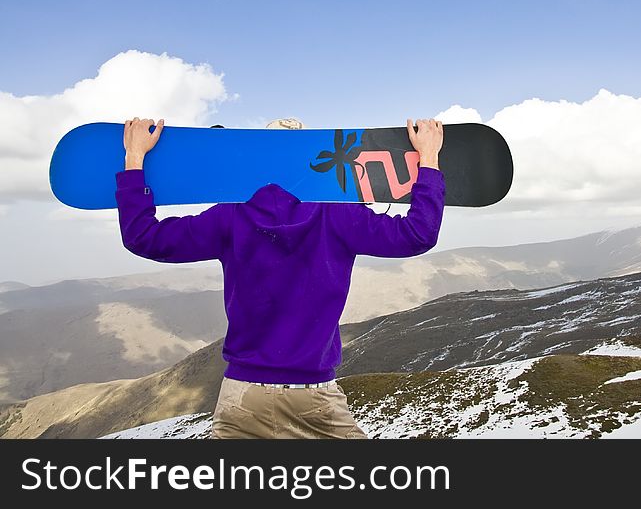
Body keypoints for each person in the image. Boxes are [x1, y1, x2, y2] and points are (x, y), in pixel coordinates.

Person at [115, 116, 445, 438]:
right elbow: (417, 234)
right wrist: (428, 160)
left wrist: (134, 160)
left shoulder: (230, 215)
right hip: (313, 397)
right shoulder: (340, 213)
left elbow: (144, 237)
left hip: (243, 397)